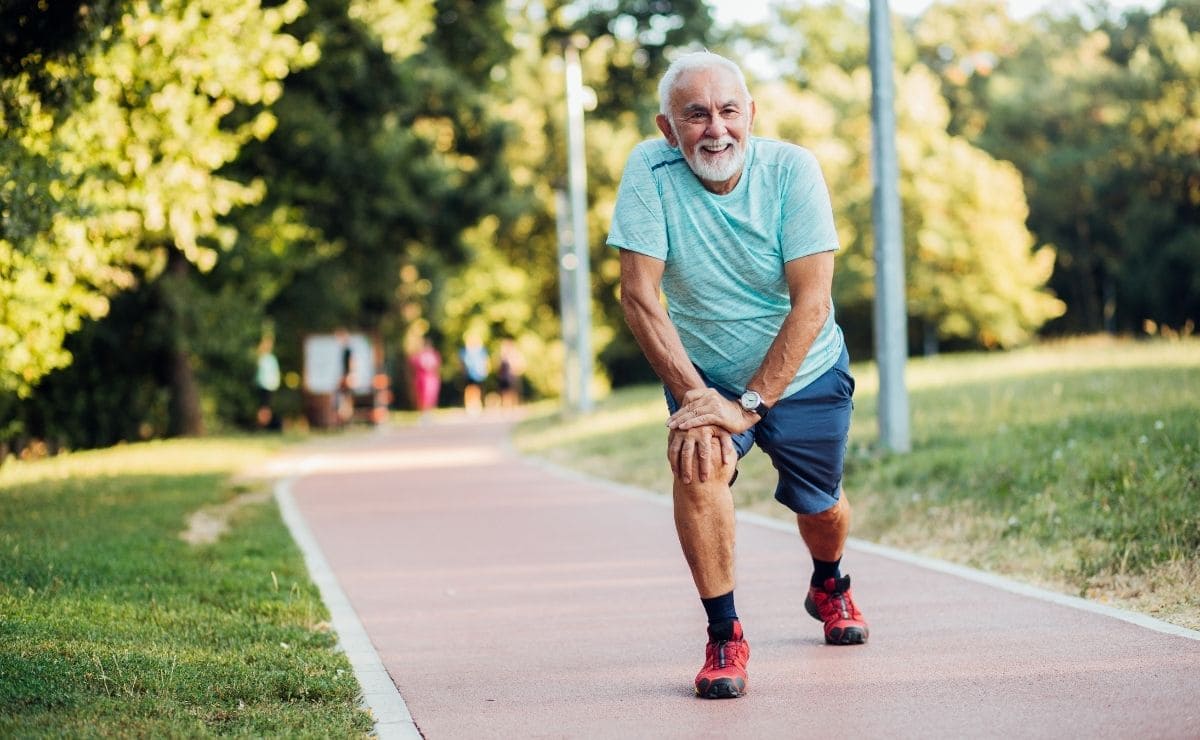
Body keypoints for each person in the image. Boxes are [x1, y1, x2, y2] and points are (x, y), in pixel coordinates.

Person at [608, 50, 868, 700]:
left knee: (824, 506)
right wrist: (701, 400)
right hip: (705, 373)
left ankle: (830, 582)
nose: (715, 129)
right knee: (697, 465)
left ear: (751, 115)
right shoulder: (650, 170)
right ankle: (724, 634)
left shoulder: (792, 171)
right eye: (695, 115)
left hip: (803, 372)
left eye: (728, 111)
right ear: (668, 128)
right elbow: (640, 297)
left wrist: (749, 404)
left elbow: (812, 302)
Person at [409, 337, 442, 422]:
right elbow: (413, 362)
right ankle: (423, 414)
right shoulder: (419, 355)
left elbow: (436, 365)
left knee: (431, 396)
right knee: (422, 397)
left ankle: (429, 414)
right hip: (422, 379)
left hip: (431, 379)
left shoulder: (434, 354)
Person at [255, 334, 281, 430]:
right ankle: (263, 425)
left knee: (266, 407)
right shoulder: (262, 358)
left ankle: (265, 425)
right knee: (264, 407)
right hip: (262, 385)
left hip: (269, 386)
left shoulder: (270, 358)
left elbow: (275, 373)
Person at [458, 333, 489, 414]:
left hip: (478, 374)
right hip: (468, 374)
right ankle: (469, 406)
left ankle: (477, 405)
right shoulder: (464, 351)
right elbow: (461, 363)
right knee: (469, 390)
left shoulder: (481, 350)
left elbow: (485, 361)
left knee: (477, 390)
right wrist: (463, 371)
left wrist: (485, 370)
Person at [496, 338, 525, 409]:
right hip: (504, 377)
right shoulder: (502, 356)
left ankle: (514, 406)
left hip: (512, 376)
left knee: (513, 391)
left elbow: (520, 365)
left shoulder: (515, 354)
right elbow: (499, 367)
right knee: (505, 392)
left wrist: (516, 371)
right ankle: (507, 407)